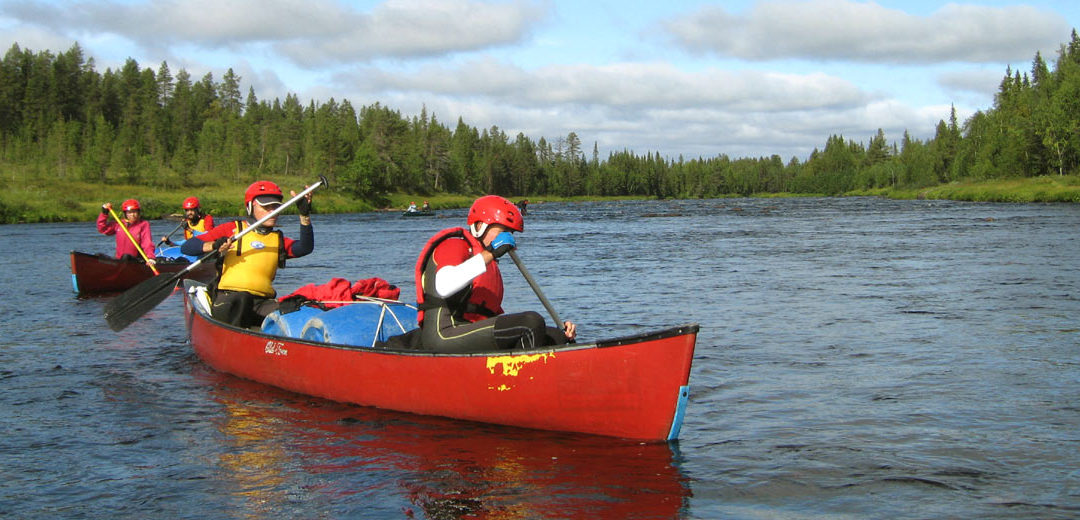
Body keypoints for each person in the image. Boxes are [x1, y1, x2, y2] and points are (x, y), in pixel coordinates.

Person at [414, 195, 576, 353]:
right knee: (530, 322)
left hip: (469, 331)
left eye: (510, 233)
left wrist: (560, 334)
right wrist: (491, 253)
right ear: (479, 226)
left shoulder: (487, 262)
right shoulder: (454, 244)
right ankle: (523, 377)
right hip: (444, 333)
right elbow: (444, 286)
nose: (507, 237)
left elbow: (493, 316)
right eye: (502, 231)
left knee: (555, 336)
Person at [181, 180, 314, 329]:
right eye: (266, 207)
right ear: (251, 207)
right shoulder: (233, 229)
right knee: (240, 300)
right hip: (229, 299)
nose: (272, 212)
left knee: (294, 313)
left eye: (275, 207)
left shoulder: (277, 239)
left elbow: (305, 247)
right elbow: (188, 247)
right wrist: (214, 245)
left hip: (261, 303)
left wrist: (304, 215)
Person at [97, 198, 156, 268]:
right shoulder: (119, 224)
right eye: (130, 212)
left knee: (126, 257)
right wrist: (104, 213)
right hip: (119, 261)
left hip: (136, 261)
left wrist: (150, 257)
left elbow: (147, 243)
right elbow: (102, 229)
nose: (133, 215)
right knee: (98, 256)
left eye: (134, 212)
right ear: (125, 213)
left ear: (138, 212)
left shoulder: (143, 224)